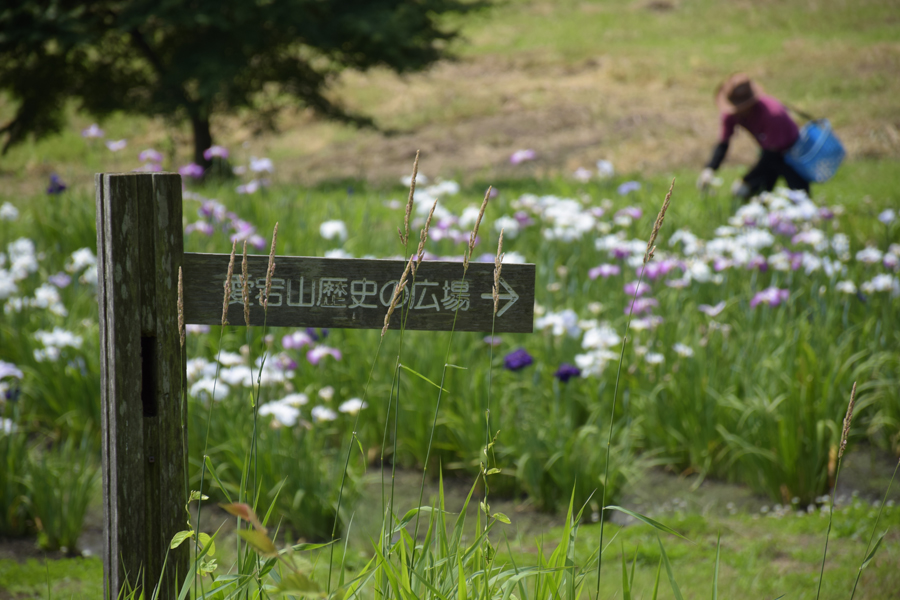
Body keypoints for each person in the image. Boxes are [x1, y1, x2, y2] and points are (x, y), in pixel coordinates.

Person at [697, 73, 809, 200]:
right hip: (769, 151)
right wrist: (710, 169)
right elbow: (724, 143)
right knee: (759, 196)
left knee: (800, 197)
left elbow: (771, 156)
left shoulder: (772, 114)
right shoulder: (731, 112)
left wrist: (746, 181)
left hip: (792, 152)